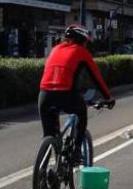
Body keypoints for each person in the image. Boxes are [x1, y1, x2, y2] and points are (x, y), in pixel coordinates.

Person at [38, 24, 115, 161]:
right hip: (66, 94)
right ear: (82, 40)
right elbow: (96, 78)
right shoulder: (81, 52)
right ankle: (76, 151)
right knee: (82, 113)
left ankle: (44, 171)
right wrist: (109, 98)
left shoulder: (55, 49)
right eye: (85, 42)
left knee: (49, 135)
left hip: (44, 95)